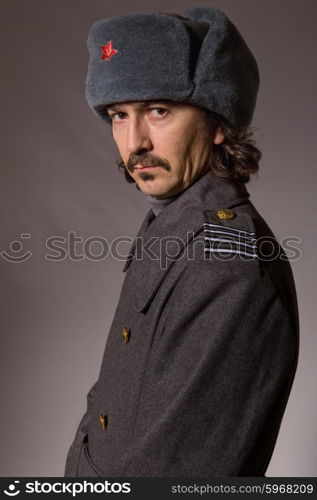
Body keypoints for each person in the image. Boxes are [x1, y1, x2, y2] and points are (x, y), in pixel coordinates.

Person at [64, 6, 299, 477]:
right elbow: (110, 398)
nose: (135, 142)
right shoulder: (172, 224)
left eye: (158, 111)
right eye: (118, 115)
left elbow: (169, 470)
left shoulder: (225, 262)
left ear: (217, 124)